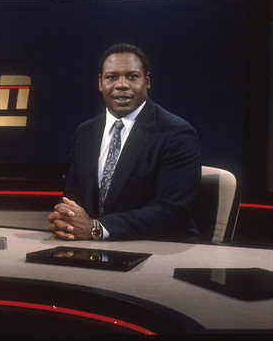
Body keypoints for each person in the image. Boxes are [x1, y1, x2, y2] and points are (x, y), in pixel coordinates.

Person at [47, 43, 201, 242]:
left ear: (147, 81)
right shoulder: (85, 133)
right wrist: (66, 218)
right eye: (112, 77)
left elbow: (171, 210)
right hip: (95, 250)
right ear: (100, 83)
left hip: (160, 251)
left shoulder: (177, 134)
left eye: (132, 76)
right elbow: (73, 195)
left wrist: (97, 228)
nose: (121, 84)